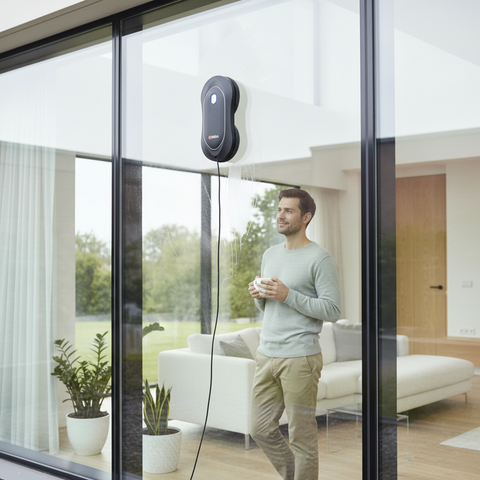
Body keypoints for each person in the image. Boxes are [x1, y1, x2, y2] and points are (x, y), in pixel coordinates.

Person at [248, 188, 341, 480]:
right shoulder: (270, 254)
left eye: (288, 211)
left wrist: (288, 295)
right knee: (259, 428)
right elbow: (271, 309)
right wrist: (258, 295)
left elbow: (332, 310)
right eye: (279, 210)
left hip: (300, 358)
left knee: (301, 437)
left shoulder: (320, 258)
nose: (280, 215)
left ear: (306, 217)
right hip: (267, 354)